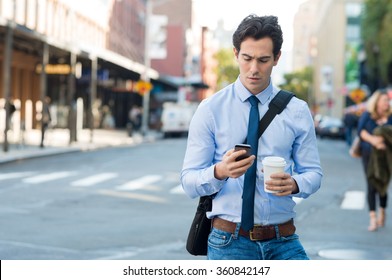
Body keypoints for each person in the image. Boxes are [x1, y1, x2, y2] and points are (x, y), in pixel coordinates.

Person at [181, 15, 323, 260]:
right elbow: (189, 180)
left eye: (263, 60)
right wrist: (220, 171)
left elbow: (313, 173)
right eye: (247, 58)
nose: (254, 69)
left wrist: (295, 184)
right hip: (228, 241)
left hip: (284, 240)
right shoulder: (210, 109)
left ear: (277, 58)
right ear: (236, 53)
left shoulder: (297, 110)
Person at [357, 89, 392, 231]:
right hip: (369, 155)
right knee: (371, 184)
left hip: (386, 157)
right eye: (384, 100)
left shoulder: (390, 116)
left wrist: (383, 141)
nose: (386, 103)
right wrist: (374, 141)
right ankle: (373, 219)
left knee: (382, 184)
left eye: (387, 101)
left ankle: (382, 211)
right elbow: (361, 131)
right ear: (377, 101)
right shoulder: (368, 115)